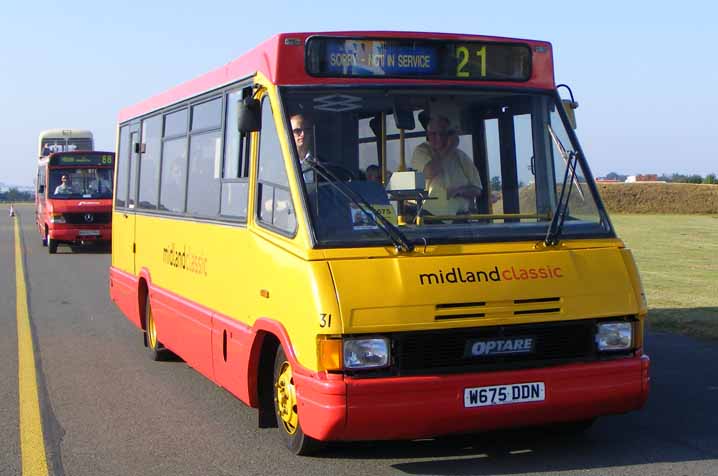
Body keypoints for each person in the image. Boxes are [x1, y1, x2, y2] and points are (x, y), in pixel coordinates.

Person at [410, 115, 483, 216]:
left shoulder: (461, 156)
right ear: (428, 135)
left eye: (442, 133)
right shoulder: (422, 151)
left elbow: (477, 189)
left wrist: (460, 191)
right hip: (430, 217)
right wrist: (448, 149)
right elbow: (430, 172)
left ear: (449, 135)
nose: (438, 137)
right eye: (434, 134)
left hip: (460, 217)